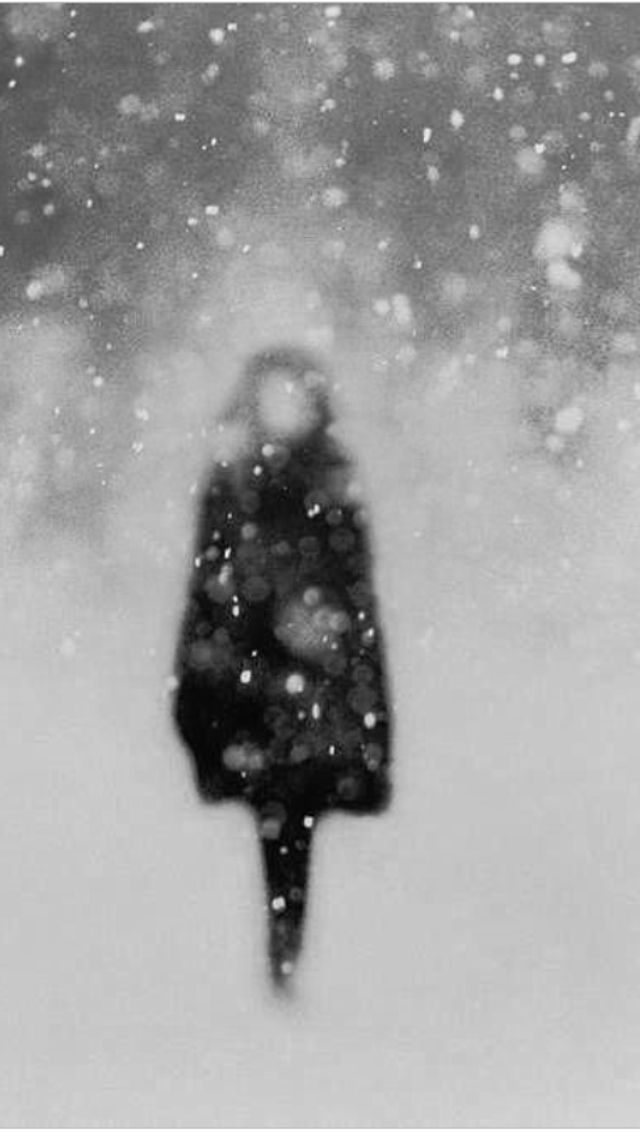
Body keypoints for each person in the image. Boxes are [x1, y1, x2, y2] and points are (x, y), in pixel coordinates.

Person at [172, 346, 392, 987]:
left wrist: (368, 728)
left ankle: (285, 980)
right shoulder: (244, 487)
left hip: (304, 705)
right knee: (277, 840)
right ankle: (279, 980)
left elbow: (356, 612)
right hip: (259, 699)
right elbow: (210, 600)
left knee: (289, 836)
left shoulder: (316, 485)